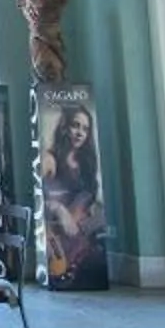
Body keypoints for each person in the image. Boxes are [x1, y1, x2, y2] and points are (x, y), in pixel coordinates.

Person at [37, 100, 109, 288]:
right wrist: (60, 209)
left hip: (84, 236)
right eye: (75, 125)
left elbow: (90, 200)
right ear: (64, 127)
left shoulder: (86, 162)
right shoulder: (50, 160)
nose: (80, 133)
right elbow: (39, 198)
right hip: (59, 235)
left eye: (85, 129)